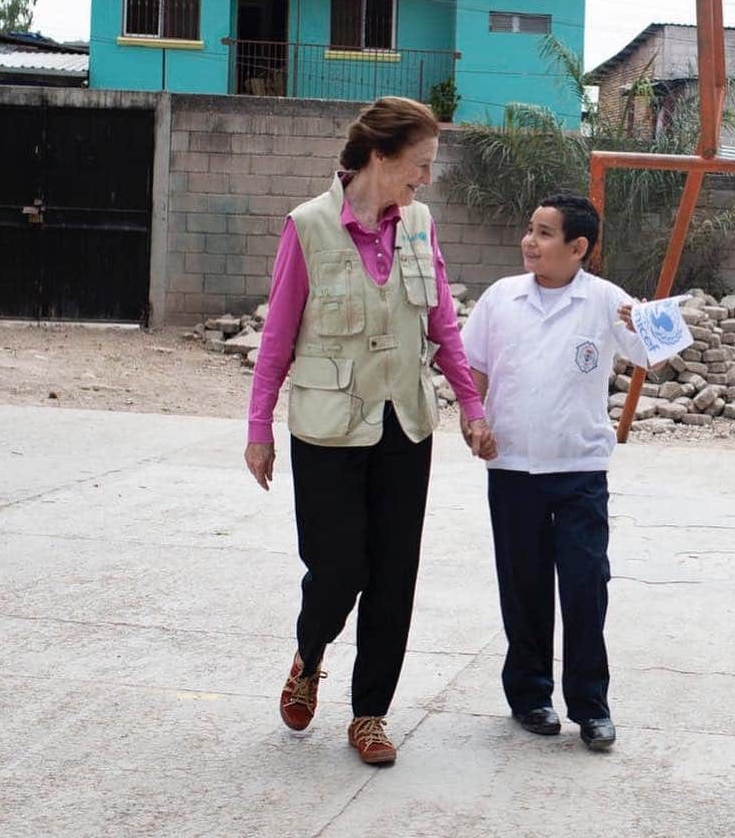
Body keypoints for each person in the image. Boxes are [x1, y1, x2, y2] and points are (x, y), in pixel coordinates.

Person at [244, 96, 496, 766]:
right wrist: (258, 427)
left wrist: (470, 406)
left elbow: (442, 322)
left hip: (404, 423)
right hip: (327, 425)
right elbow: (276, 338)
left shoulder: (419, 226)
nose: (426, 178)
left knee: (393, 573)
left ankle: (370, 715)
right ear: (380, 157)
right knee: (337, 569)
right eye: (420, 163)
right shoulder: (307, 227)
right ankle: (310, 651)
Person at [460, 193, 651, 751]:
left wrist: (644, 322)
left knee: (585, 585)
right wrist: (472, 421)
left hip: (579, 471)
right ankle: (531, 697)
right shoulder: (501, 299)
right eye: (530, 229)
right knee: (523, 587)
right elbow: (473, 368)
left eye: (545, 234)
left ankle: (591, 706)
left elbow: (653, 355)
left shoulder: (605, 300)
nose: (530, 241)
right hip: (513, 468)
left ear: (579, 247)